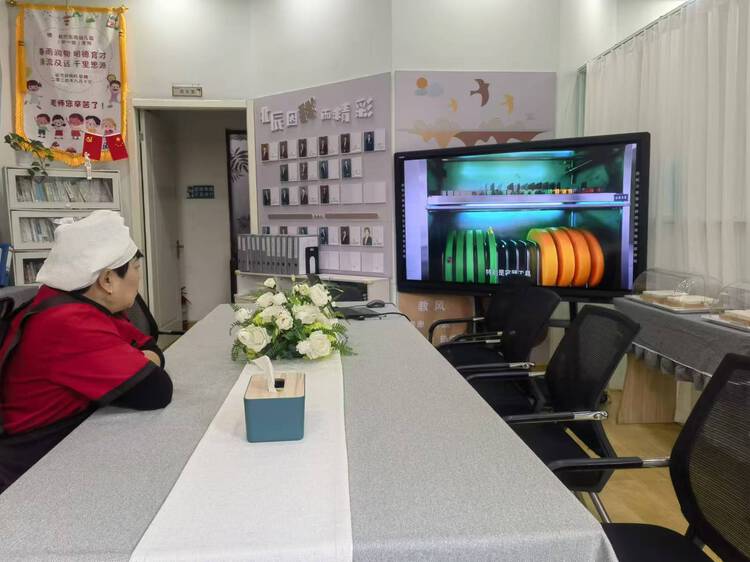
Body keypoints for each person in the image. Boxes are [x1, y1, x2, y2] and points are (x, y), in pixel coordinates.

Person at [0, 211, 173, 494]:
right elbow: (156, 390)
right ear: (107, 280)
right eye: (136, 267)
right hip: (29, 471)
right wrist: (139, 361)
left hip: (66, 444)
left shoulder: (75, 303)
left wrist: (139, 360)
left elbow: (149, 345)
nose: (139, 276)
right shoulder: (70, 323)